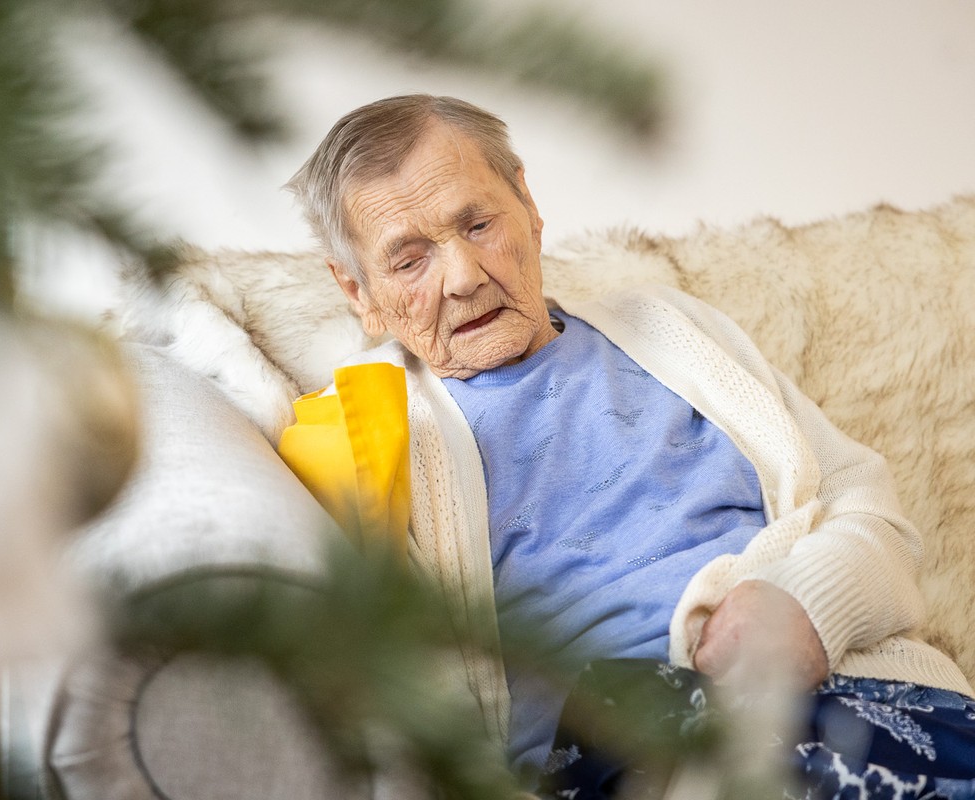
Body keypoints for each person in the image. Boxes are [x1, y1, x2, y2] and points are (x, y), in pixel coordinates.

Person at [277, 94, 975, 797]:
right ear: (357, 291)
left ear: (528, 202)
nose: (463, 276)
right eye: (409, 260)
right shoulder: (380, 434)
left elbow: (872, 513)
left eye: (479, 223)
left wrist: (812, 606)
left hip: (862, 695)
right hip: (627, 751)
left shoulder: (674, 329)